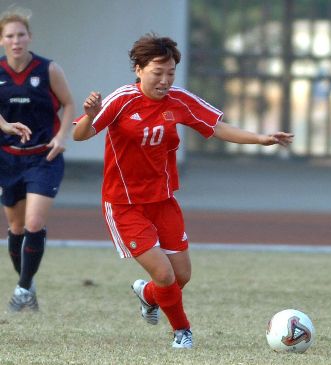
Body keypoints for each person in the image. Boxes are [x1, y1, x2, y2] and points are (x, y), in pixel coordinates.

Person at [73, 33, 293, 349]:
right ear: (138, 69)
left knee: (180, 277)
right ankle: (182, 332)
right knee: (164, 274)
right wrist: (91, 115)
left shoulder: (179, 99)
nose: (164, 80)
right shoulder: (121, 99)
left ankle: (147, 294)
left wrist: (260, 139)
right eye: (157, 73)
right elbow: (81, 134)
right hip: (125, 204)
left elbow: (215, 127)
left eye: (170, 73)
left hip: (163, 201)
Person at [0, 7, 75, 311]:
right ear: (2, 40)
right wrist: (4, 125)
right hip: (8, 159)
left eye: (21, 34)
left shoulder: (48, 69)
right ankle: (28, 284)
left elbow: (69, 104)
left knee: (33, 222)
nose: (16, 40)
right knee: (16, 229)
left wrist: (62, 137)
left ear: (30, 37)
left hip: (45, 157)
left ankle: (20, 290)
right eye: (9, 36)